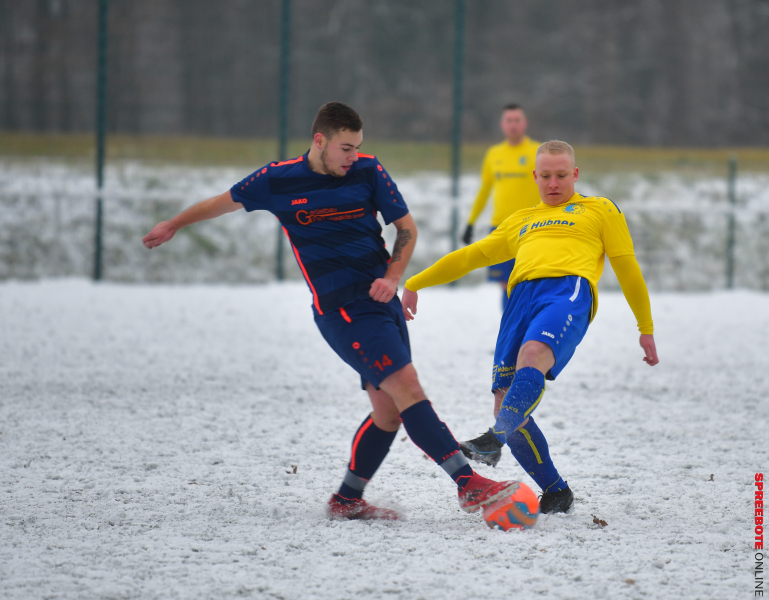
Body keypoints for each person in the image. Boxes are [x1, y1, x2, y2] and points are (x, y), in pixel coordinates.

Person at [142, 102, 517, 520]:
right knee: (407, 385)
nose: (352, 157)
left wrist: (393, 277)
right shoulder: (277, 180)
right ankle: (469, 485)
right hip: (342, 310)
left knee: (389, 411)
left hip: (382, 301)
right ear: (319, 140)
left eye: (357, 147)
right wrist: (173, 224)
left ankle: (346, 500)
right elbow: (222, 202)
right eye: (345, 148)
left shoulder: (368, 171)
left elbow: (407, 228)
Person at [401, 140, 659, 514]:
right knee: (504, 402)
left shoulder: (600, 209)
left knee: (533, 355)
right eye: (546, 176)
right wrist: (416, 282)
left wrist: (645, 325)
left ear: (575, 174)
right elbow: (473, 255)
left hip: (566, 292)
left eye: (561, 175)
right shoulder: (522, 219)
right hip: (520, 302)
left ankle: (494, 439)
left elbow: (628, 268)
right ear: (535, 176)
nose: (553, 183)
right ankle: (556, 491)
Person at [462, 103, 541, 309]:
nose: (513, 125)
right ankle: (511, 335)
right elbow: (484, 191)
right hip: (502, 228)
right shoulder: (494, 154)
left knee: (531, 282)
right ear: (502, 125)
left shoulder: (537, 152)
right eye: (509, 120)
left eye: (517, 120)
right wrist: (470, 223)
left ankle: (531, 335)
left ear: (525, 123)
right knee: (506, 284)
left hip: (533, 228)